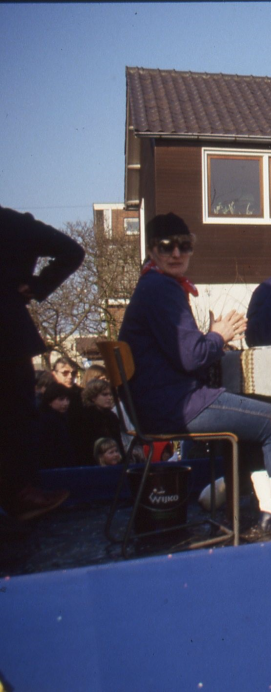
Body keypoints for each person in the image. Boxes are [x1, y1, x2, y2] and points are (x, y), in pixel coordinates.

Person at [117, 213, 271, 536]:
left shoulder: (150, 285)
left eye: (184, 246)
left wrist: (210, 338)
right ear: (152, 250)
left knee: (252, 420)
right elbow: (193, 356)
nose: (176, 254)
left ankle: (265, 513)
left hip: (157, 406)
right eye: (167, 247)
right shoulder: (163, 289)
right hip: (176, 408)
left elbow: (182, 353)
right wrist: (219, 335)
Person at [1, 204, 83, 524]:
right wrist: (35, 286)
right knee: (15, 415)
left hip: (8, 336)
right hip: (7, 335)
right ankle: (19, 492)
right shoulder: (13, 224)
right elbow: (71, 250)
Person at [75, 379, 123, 466]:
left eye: (110, 394)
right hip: (91, 465)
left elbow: (118, 442)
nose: (109, 397)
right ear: (93, 397)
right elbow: (83, 447)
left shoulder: (112, 417)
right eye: (104, 394)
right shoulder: (84, 417)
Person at [38, 382, 77, 469]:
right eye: (61, 399)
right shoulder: (46, 421)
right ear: (50, 401)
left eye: (67, 399)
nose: (66, 403)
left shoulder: (66, 418)